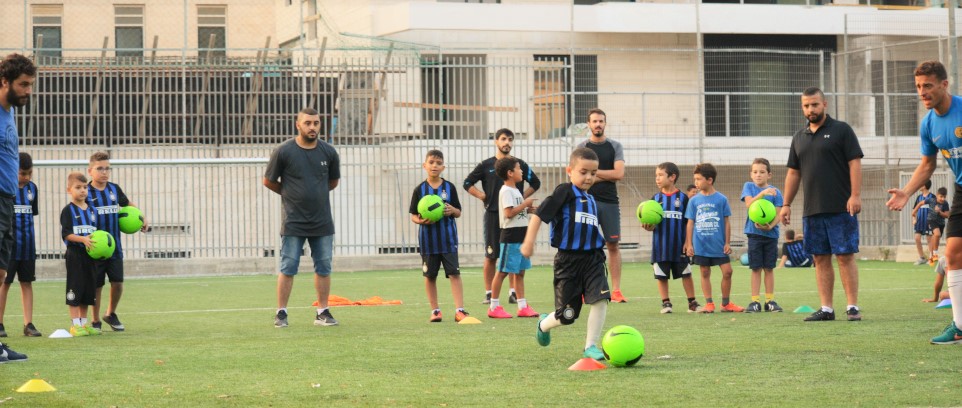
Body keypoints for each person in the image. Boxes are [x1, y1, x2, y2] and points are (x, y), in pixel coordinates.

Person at [886, 60, 962, 343]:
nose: (922, 92)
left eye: (927, 86)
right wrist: (907, 192)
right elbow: (928, 164)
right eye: (918, 87)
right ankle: (959, 327)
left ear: (944, 84)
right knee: (953, 255)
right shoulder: (928, 124)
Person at [781, 86, 863, 322]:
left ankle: (852, 307)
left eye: (815, 104)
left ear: (824, 104)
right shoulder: (798, 137)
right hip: (812, 210)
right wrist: (786, 204)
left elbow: (855, 163)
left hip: (841, 207)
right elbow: (793, 174)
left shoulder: (842, 130)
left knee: (845, 256)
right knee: (819, 258)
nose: (810, 109)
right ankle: (826, 308)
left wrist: (855, 195)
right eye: (806, 105)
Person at [522, 148, 609, 361]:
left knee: (600, 299)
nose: (589, 177)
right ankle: (544, 324)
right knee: (567, 316)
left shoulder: (591, 199)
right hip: (568, 262)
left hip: (594, 259)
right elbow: (538, 216)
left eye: (593, 173)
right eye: (583, 172)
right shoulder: (565, 192)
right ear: (569, 170)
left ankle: (590, 346)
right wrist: (528, 242)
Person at [264, 108, 341, 328]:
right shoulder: (284, 151)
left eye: (316, 123)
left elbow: (333, 182)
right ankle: (281, 313)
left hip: (322, 222)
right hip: (293, 222)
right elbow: (269, 181)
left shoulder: (329, 152)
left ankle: (323, 311)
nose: (313, 127)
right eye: (308, 123)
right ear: (298, 124)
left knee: (324, 267)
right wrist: (290, 193)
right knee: (288, 267)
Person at [463, 128, 540, 305]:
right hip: (493, 215)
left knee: (515, 254)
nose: (507, 143)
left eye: (510, 139)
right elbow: (467, 183)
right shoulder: (486, 165)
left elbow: (535, 182)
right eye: (504, 139)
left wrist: (522, 199)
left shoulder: (518, 164)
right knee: (491, 255)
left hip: (515, 218)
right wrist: (482, 196)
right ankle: (489, 293)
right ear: (496, 141)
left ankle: (513, 293)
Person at [87, 151, 147, 332]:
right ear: (90, 171)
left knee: (118, 283)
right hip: (96, 248)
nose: (104, 172)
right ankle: (95, 320)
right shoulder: (86, 192)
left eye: (107, 169)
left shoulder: (114, 189)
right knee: (97, 285)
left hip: (115, 248)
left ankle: (110, 313)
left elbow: (128, 204)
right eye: (100, 169)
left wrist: (141, 218)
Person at [408, 150, 469, 323]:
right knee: (430, 276)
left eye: (438, 163)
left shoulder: (449, 188)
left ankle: (459, 310)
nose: (435, 165)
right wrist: (420, 221)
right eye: (431, 162)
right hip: (428, 242)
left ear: (443, 167)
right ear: (425, 165)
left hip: (448, 240)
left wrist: (452, 210)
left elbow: (458, 212)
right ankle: (435, 311)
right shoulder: (420, 190)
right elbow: (413, 214)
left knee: (454, 274)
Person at [0, 54, 34, 362]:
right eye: (23, 84)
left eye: (30, 85)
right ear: (4, 82)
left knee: (0, 272)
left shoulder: (9, 113)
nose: (28, 91)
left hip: (7, 201)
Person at [577, 108, 627, 303]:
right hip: (585, 202)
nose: (598, 124)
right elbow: (577, 176)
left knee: (612, 244)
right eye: (594, 121)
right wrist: (599, 176)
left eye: (601, 121)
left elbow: (619, 174)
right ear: (588, 124)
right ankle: (583, 289)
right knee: (583, 246)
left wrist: (594, 175)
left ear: (605, 123)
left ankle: (616, 290)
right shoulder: (582, 148)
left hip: (609, 202)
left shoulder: (615, 146)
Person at [684, 163, 742, 313]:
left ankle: (726, 304)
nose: (696, 182)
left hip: (719, 245)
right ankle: (709, 303)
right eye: (695, 179)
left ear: (709, 180)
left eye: (698, 179)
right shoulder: (694, 201)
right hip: (701, 244)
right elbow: (690, 223)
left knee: (728, 272)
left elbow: (726, 222)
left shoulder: (721, 199)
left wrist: (727, 242)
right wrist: (689, 244)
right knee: (704, 272)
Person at [642, 162, 699, 314]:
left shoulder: (683, 198)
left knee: (686, 273)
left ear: (672, 177)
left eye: (661, 175)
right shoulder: (655, 199)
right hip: (661, 246)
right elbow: (652, 223)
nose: (657, 178)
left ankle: (692, 302)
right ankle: (666, 303)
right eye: (656, 175)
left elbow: (688, 223)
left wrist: (688, 243)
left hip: (679, 245)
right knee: (661, 275)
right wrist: (649, 226)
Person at [488, 156, 538, 319]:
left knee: (520, 272)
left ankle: (522, 306)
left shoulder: (516, 190)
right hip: (510, 236)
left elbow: (516, 211)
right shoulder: (506, 191)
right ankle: (494, 306)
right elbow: (508, 213)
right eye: (518, 168)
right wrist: (525, 204)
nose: (522, 171)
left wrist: (529, 210)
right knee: (502, 271)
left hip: (521, 235)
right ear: (510, 173)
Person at [0, 153, 40, 337]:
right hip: (8, 247)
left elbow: (31, 215)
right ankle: (0, 324)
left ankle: (28, 324)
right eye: (23, 173)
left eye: (29, 173)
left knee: (26, 283)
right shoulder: (6, 189)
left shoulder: (33, 189)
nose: (27, 177)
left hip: (27, 246)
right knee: (4, 284)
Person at [741, 158, 784, 313]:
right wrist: (763, 193)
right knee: (755, 268)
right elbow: (749, 204)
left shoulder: (776, 192)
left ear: (769, 175)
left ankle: (770, 301)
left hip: (771, 236)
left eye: (762, 172)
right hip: (754, 235)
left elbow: (778, 213)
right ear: (751, 174)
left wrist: (770, 226)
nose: (758, 175)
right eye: (755, 172)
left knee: (769, 268)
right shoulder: (748, 187)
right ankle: (755, 302)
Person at [61, 172, 100, 337]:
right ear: (69, 190)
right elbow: (67, 235)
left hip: (90, 255)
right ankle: (74, 324)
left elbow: (96, 234)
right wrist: (83, 239)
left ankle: (84, 324)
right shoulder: (68, 211)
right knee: (75, 287)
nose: (83, 191)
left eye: (85, 187)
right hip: (75, 254)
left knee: (88, 289)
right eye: (78, 187)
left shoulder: (92, 211)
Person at [921, 187, 950, 266]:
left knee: (936, 238)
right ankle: (935, 254)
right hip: (931, 220)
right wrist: (914, 212)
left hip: (941, 223)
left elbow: (947, 215)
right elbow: (921, 203)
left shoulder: (945, 204)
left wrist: (940, 212)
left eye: (944, 197)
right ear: (937, 195)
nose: (942, 198)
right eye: (941, 196)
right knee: (937, 234)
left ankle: (931, 258)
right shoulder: (931, 200)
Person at [910, 180, 934, 265]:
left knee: (929, 239)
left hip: (928, 222)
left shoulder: (932, 197)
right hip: (919, 222)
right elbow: (914, 210)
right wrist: (914, 219)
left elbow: (935, 210)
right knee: (917, 238)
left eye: (921, 184)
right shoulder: (918, 197)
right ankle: (922, 258)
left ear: (924, 185)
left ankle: (931, 258)